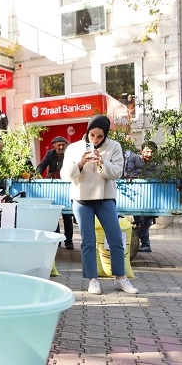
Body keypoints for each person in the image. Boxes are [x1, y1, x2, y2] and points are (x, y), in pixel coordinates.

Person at [61, 115, 139, 295]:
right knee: (88, 241)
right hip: (81, 200)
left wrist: (102, 163)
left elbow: (117, 172)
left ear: (105, 135)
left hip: (106, 199)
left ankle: (121, 278)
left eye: (99, 136)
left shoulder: (114, 146)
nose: (95, 139)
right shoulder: (74, 148)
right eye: (92, 135)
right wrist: (80, 163)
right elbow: (65, 175)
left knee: (115, 238)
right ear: (87, 132)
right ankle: (93, 280)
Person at [36, 135, 75, 250]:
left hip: (66, 187)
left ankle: (69, 241)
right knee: (54, 215)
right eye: (59, 145)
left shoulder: (70, 154)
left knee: (67, 215)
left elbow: (69, 171)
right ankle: (57, 240)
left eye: (63, 145)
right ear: (54, 146)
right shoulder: (50, 154)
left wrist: (52, 175)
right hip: (53, 188)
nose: (61, 147)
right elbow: (42, 165)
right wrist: (36, 175)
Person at [124, 141, 159, 252]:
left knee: (147, 219)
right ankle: (145, 244)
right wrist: (143, 178)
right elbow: (128, 172)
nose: (149, 154)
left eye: (152, 152)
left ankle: (136, 238)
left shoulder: (157, 161)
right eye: (146, 151)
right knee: (138, 218)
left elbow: (160, 174)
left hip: (151, 196)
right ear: (141, 151)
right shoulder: (133, 158)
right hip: (136, 195)